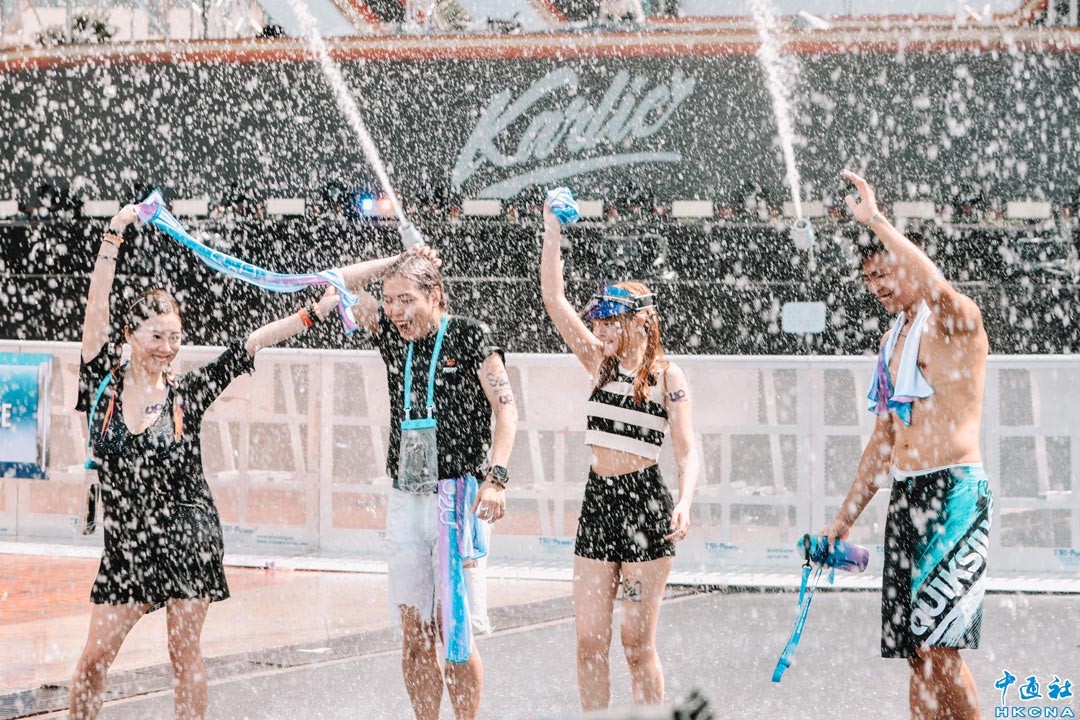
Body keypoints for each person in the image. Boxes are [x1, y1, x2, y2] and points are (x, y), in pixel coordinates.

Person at [69, 204, 343, 720]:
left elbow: (250, 344)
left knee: (183, 652)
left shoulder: (186, 394)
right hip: (127, 541)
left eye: (176, 337)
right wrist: (114, 233)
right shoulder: (99, 383)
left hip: (187, 532)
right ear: (129, 335)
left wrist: (313, 313)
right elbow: (96, 304)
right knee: (92, 662)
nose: (168, 347)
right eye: (156, 336)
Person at [822, 170, 993, 720]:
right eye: (868, 278)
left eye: (885, 271)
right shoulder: (892, 339)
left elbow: (937, 287)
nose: (877, 285)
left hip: (954, 493)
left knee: (942, 650)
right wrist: (844, 519)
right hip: (908, 495)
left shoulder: (957, 320)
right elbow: (883, 441)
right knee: (916, 653)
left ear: (912, 263)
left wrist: (875, 219)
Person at [334, 246, 517, 720]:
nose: (396, 311)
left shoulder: (472, 335)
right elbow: (337, 283)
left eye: (407, 300)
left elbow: (507, 411)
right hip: (406, 497)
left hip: (458, 498)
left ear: (435, 295)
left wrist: (496, 479)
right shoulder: (392, 336)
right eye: (389, 300)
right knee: (415, 634)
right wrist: (393, 261)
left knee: (455, 632)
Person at [540, 200, 699, 710]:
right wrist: (551, 232)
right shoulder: (598, 362)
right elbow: (553, 299)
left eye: (611, 322)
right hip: (600, 499)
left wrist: (684, 501)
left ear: (640, 322)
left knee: (635, 645)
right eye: (600, 322)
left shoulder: (667, 377)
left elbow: (687, 449)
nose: (602, 331)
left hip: (645, 502)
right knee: (589, 641)